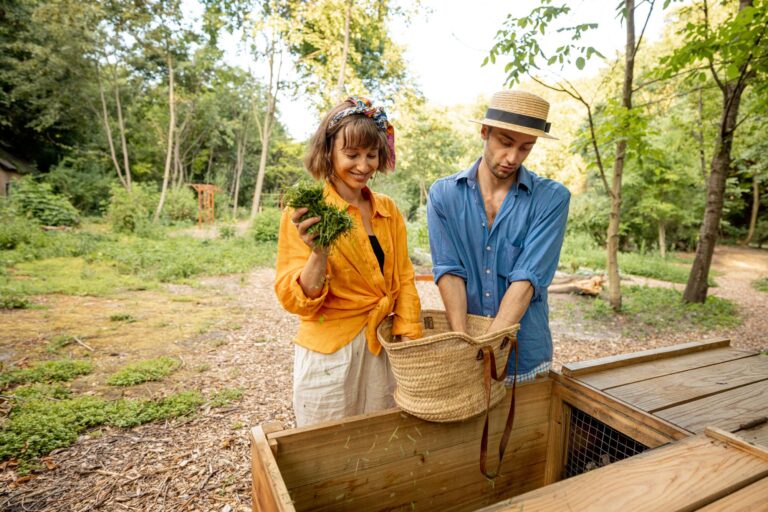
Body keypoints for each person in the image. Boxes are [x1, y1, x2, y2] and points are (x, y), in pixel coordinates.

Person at [274, 96, 423, 427]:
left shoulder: (388, 210)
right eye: (351, 154)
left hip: (380, 345)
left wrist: (410, 337)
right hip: (330, 352)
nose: (363, 165)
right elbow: (297, 301)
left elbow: (404, 278)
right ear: (328, 152)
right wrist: (319, 251)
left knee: (378, 438)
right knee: (325, 442)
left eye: (371, 155)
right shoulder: (306, 212)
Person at [427, 90, 570, 383]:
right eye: (505, 142)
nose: (512, 158)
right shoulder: (443, 195)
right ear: (484, 132)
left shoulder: (552, 199)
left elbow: (526, 280)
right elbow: (449, 271)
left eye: (525, 148)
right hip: (467, 349)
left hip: (525, 354)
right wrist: (464, 342)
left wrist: (488, 349)